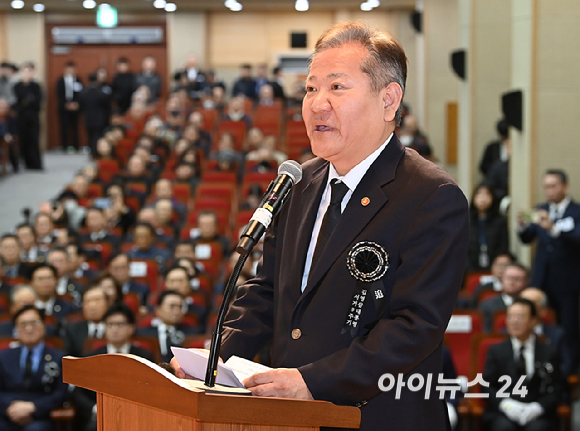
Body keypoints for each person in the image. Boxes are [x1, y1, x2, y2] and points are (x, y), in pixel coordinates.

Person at [171, 22, 469, 431]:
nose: (316, 104)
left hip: (377, 418)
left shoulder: (431, 196)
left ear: (389, 99)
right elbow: (268, 289)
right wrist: (215, 358)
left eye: (337, 87)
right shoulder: (297, 181)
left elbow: (413, 327)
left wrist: (314, 381)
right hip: (290, 418)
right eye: (311, 89)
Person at [517, 169, 580, 376]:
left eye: (553, 186)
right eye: (546, 187)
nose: (549, 191)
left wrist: (553, 228)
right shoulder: (541, 209)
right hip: (541, 280)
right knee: (538, 325)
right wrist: (522, 226)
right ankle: (539, 371)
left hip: (568, 282)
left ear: (564, 186)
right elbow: (527, 238)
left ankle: (568, 375)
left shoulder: (575, 211)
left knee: (568, 330)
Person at [70, 302, 154, 431]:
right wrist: (94, 408)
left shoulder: (144, 357)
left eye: (120, 324)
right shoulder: (92, 357)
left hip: (135, 414)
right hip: (98, 415)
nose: (114, 329)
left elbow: (152, 390)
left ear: (131, 328)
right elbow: (78, 392)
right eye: (110, 325)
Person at [482, 298, 563, 431]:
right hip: (504, 412)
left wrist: (539, 407)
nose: (514, 321)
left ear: (533, 321)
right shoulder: (496, 351)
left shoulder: (548, 351)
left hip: (538, 412)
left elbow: (557, 386)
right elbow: (486, 386)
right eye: (510, 317)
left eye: (520, 317)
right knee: (503, 427)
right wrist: (505, 404)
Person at [0, 305, 69, 431]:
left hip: (41, 417)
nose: (29, 329)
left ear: (44, 326)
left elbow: (60, 393)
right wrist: (12, 407)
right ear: (16, 329)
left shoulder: (58, 357)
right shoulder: (3, 357)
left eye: (34, 323)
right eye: (23, 324)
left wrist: (33, 407)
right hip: (7, 414)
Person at [137, 290, 198, 363]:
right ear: (158, 309)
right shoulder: (144, 334)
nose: (177, 311)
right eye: (172, 306)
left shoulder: (191, 334)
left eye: (180, 307)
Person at [466, 183, 509, 272]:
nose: (483, 198)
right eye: (479, 194)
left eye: (487, 194)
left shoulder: (500, 221)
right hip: (470, 267)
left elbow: (503, 247)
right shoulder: (466, 221)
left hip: (494, 266)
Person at [479, 263, 529, 333]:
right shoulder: (487, 305)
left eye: (517, 279)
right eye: (509, 278)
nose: (512, 282)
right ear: (502, 279)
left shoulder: (529, 305)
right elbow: (486, 334)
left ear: (526, 282)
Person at [63, 286, 108, 357]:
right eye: (87, 301)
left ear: (107, 304)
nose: (92, 306)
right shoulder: (72, 330)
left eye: (97, 300)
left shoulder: (115, 327)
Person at [13, 62, 42, 170]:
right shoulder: (17, 86)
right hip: (21, 117)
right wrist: (27, 101)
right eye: (24, 71)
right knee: (23, 141)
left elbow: (37, 102)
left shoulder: (36, 86)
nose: (27, 74)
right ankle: (24, 163)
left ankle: (35, 164)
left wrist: (27, 101)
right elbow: (17, 103)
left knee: (33, 140)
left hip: (33, 117)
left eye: (29, 71)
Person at [79, 72, 111, 156]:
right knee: (98, 137)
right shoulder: (102, 93)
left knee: (90, 137)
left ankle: (91, 153)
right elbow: (107, 107)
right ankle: (96, 153)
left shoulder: (83, 93)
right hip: (100, 119)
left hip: (88, 119)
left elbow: (80, 107)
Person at [56, 61, 83, 153]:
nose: (70, 71)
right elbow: (59, 94)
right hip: (64, 108)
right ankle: (64, 147)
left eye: (72, 69)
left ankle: (76, 146)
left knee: (75, 128)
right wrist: (66, 104)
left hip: (75, 108)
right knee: (64, 127)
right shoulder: (60, 81)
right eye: (68, 69)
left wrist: (76, 103)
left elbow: (81, 93)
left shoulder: (78, 80)